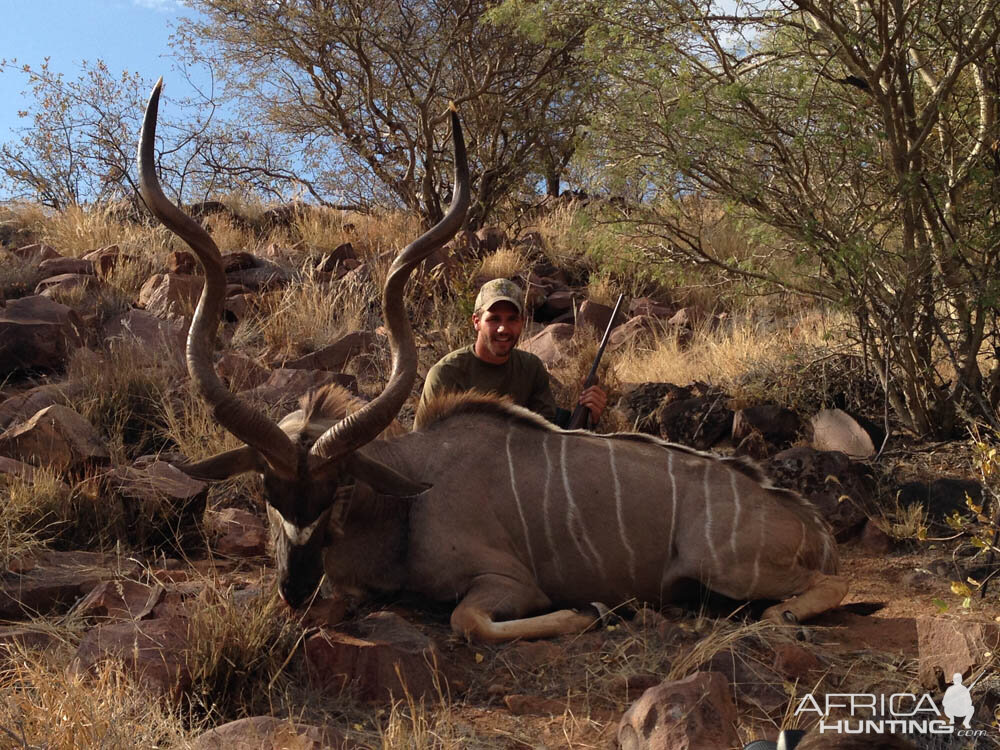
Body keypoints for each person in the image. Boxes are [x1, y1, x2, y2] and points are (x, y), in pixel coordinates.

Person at [419, 278, 607, 427]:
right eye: (494, 319)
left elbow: (547, 438)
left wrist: (590, 419)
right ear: (476, 321)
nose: (503, 329)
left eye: (512, 319)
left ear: (522, 322)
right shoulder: (445, 375)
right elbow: (424, 444)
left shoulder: (531, 368)